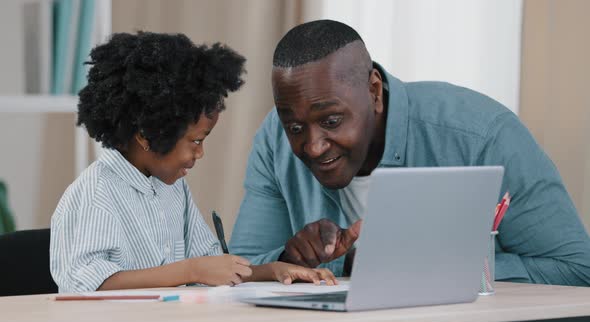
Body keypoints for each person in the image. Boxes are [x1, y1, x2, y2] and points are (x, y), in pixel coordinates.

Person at [229, 20, 590, 286]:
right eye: (295, 127)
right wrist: (291, 259)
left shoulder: (482, 136)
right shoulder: (273, 139)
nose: (314, 145)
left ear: (373, 91)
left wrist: (433, 271)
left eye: (332, 120)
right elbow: (239, 270)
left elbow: (576, 268)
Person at [50, 32, 337, 293]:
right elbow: (86, 283)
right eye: (196, 141)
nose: (200, 153)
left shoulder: (173, 189)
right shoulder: (94, 193)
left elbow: (211, 267)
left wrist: (272, 271)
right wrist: (189, 270)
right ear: (147, 135)